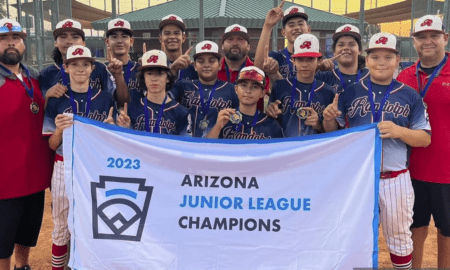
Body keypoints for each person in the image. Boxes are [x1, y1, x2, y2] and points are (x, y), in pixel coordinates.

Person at [323, 33, 431, 269]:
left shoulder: (410, 94)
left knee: (400, 239)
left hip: (395, 179)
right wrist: (329, 118)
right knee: (356, 238)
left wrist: (399, 131)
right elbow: (333, 131)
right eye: (375, 56)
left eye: (388, 56)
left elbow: (424, 138)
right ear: (366, 59)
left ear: (397, 59)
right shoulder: (350, 92)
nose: (381, 62)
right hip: (358, 180)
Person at [42, 45, 116, 270]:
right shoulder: (57, 99)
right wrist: (58, 132)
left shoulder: (104, 99)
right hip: (64, 165)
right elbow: (52, 145)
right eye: (74, 64)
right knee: (61, 224)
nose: (80, 68)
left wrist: (111, 129)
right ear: (66, 67)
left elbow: (111, 144)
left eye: (85, 64)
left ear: (93, 68)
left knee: (96, 222)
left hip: (96, 167)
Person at [396, 15, 450, 268]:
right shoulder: (404, 77)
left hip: (446, 170)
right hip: (411, 169)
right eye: (421, 37)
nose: (428, 41)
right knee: (415, 227)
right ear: (413, 41)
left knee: (447, 231)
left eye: (434, 36)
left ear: (445, 39)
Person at [0, 18, 53, 270]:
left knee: (29, 230)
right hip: (5, 176)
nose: (11, 43)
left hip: (35, 172)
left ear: (23, 44)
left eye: (16, 39)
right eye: (3, 39)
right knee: (3, 236)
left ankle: (24, 266)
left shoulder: (34, 76)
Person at [39, 19, 127, 108]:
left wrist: (118, 75)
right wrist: (47, 96)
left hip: (95, 120)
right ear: (56, 43)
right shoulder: (47, 73)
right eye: (63, 36)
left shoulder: (99, 68)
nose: (69, 41)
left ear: (83, 43)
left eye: (75, 37)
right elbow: (40, 111)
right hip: (60, 121)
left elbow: (120, 102)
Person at [265, 34, 335, 137]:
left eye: (310, 59)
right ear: (293, 61)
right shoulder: (280, 87)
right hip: (285, 148)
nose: (305, 64)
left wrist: (319, 124)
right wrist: (269, 112)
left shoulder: (328, 91)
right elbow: (271, 123)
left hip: (315, 148)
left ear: (319, 61)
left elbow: (334, 134)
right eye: (300, 59)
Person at [169, 40, 238, 137]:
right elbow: (160, 96)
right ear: (195, 66)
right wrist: (172, 69)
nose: (206, 65)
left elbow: (240, 119)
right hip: (187, 146)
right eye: (201, 61)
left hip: (219, 147)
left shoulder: (231, 89)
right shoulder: (183, 86)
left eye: (211, 61)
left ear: (219, 65)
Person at [117, 49, 191, 136]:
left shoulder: (181, 112)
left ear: (168, 77)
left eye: (159, 74)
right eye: (149, 73)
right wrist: (126, 128)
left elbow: (185, 145)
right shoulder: (132, 108)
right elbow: (127, 143)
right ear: (143, 77)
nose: (154, 79)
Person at [254, 2, 334, 78]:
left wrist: (327, 68)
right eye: (291, 25)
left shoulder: (318, 60)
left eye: (300, 24)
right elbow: (258, 68)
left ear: (308, 29)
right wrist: (268, 26)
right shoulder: (278, 57)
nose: (296, 28)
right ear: (283, 32)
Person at [206, 66, 283, 139]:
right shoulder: (225, 118)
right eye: (244, 85)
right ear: (236, 89)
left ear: (262, 93)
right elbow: (206, 148)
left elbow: (281, 152)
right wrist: (218, 127)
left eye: (254, 87)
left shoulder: (272, 124)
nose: (248, 91)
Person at [315, 24, 369, 93]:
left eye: (351, 44)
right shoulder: (324, 76)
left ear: (360, 51)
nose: (346, 48)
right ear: (334, 51)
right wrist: (317, 67)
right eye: (341, 45)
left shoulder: (371, 77)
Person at [105, 18, 140, 104]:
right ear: (107, 41)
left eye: (124, 37)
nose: (119, 41)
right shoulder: (100, 69)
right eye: (114, 37)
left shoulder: (140, 69)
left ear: (131, 41)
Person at [158, 14, 198, 81]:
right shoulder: (155, 66)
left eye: (176, 33)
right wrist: (173, 69)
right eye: (167, 33)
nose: (172, 37)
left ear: (183, 37)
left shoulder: (192, 68)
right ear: (160, 38)